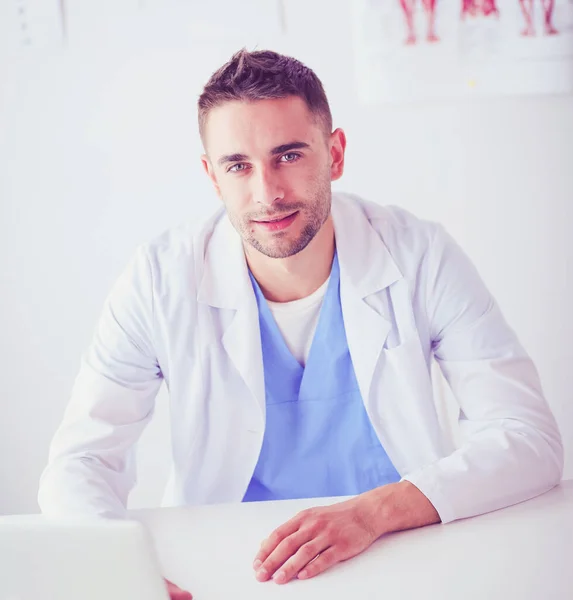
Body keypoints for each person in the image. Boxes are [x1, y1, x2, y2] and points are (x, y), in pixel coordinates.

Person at [38, 49, 563, 600]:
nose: (266, 192)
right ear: (211, 176)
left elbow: (527, 438)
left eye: (288, 155)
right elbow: (81, 461)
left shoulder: (418, 256)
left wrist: (373, 513)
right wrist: (119, 578)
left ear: (335, 154)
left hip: (399, 551)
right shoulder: (158, 280)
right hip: (226, 569)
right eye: (237, 165)